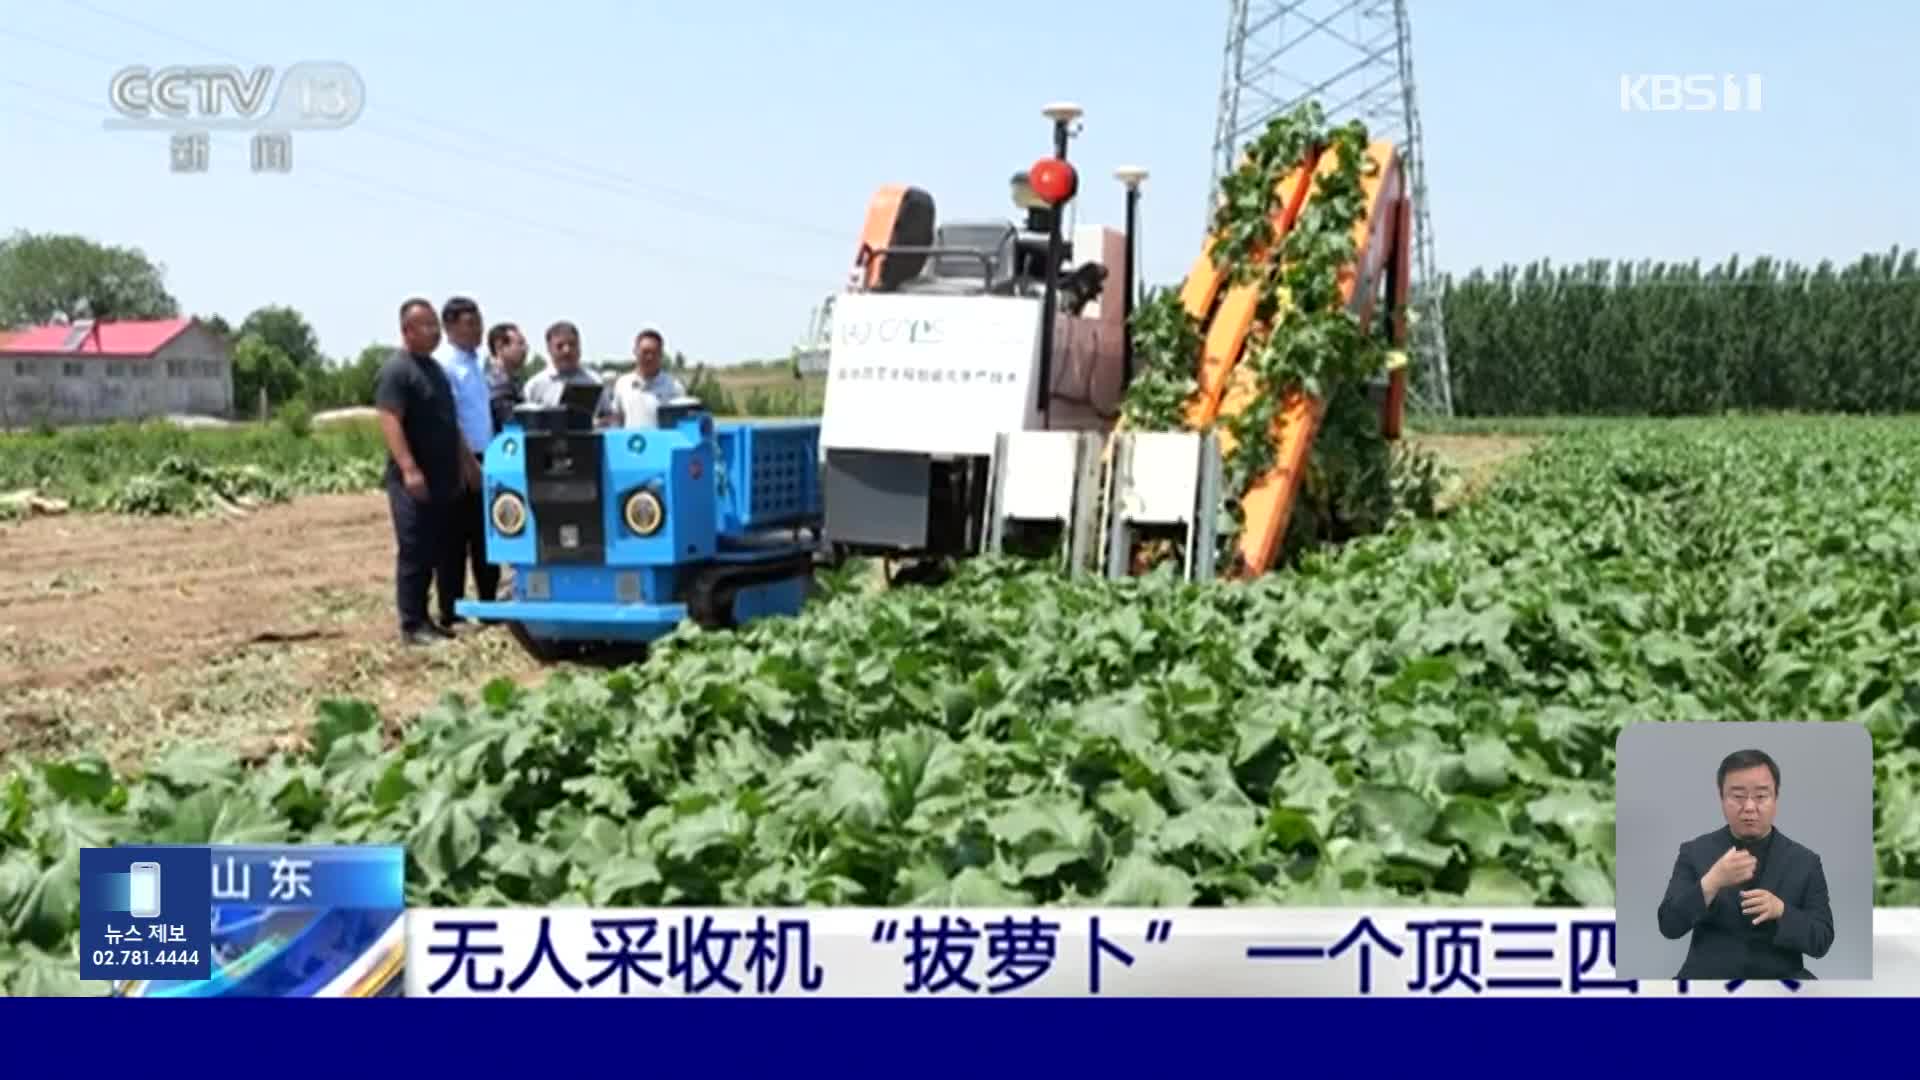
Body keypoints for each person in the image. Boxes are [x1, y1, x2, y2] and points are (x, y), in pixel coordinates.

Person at [1655, 748, 1834, 980]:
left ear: (1776, 798)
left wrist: (1782, 911)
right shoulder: (1694, 852)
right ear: (1721, 798)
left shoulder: (1805, 862)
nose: (1749, 807)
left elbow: (1822, 939)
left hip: (1779, 982)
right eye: (1738, 796)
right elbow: (1669, 925)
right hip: (1707, 982)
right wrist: (1712, 882)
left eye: (1761, 796)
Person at [373, 298, 467, 646]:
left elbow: (449, 423)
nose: (434, 331)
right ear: (407, 330)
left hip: (442, 476)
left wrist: (464, 465)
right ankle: (412, 624)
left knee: (436, 547)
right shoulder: (397, 371)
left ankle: (429, 619)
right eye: (426, 325)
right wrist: (409, 468)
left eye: (435, 325)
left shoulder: (434, 370)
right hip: (412, 479)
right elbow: (390, 419)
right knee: (414, 548)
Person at [437, 296, 494, 625]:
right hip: (461, 459)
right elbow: (451, 420)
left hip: (484, 454)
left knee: (484, 534)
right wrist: (468, 462)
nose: (478, 330)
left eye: (479, 322)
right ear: (450, 327)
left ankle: (487, 604)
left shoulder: (475, 362)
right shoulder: (445, 364)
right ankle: (452, 610)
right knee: (455, 539)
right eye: (470, 323)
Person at [521, 320, 613, 423]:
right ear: (549, 349)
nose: (567, 350)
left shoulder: (594, 381)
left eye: (572, 344)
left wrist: (600, 422)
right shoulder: (535, 385)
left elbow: (609, 416)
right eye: (560, 346)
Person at [608, 328, 688, 428]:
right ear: (635, 352)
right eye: (645, 352)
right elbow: (616, 421)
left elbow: (682, 424)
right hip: (631, 442)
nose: (649, 357)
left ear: (661, 354)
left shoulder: (675, 387)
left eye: (654, 353)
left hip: (662, 442)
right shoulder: (622, 384)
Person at [487, 322, 530, 432]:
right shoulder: (497, 384)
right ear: (499, 347)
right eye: (520, 344)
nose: (525, 349)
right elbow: (511, 426)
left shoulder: (512, 382)